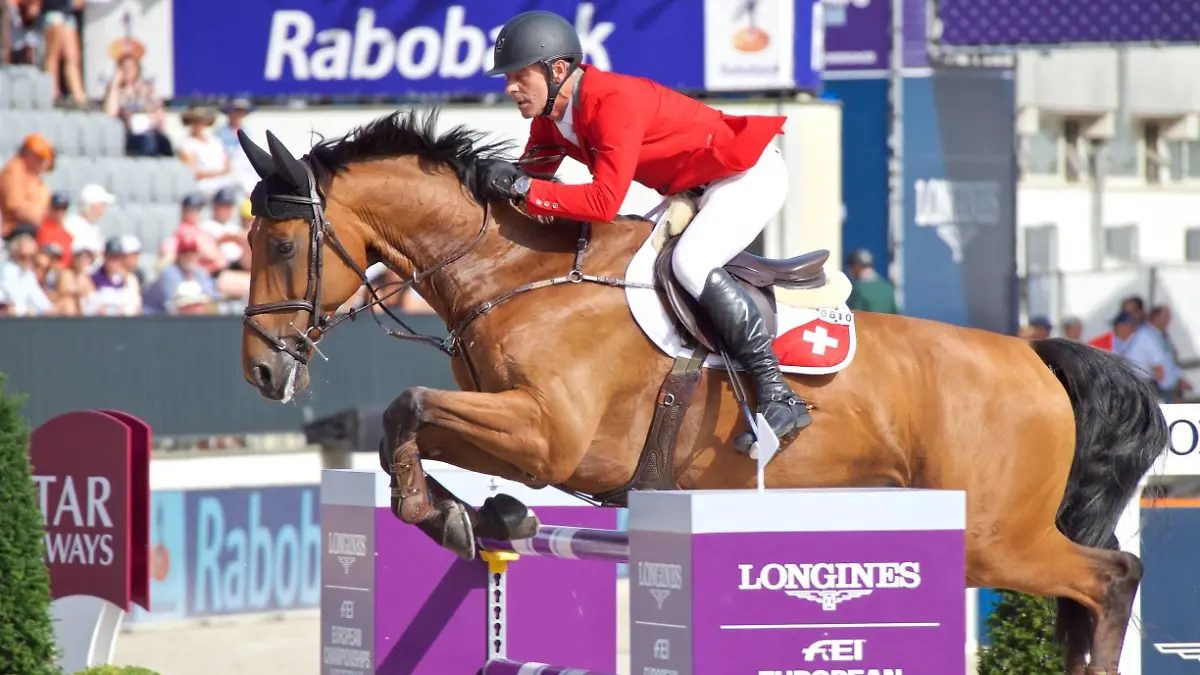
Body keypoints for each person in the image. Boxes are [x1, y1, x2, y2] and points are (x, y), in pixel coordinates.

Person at [472, 10, 811, 442]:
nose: (510, 88)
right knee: (625, 262)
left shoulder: (612, 101)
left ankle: (777, 394)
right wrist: (492, 182)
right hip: (692, 189)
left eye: (519, 76)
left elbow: (602, 201)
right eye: (507, 78)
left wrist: (524, 186)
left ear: (557, 69)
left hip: (746, 175)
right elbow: (529, 178)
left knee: (690, 263)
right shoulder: (549, 120)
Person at [844, 249, 896, 314]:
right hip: (887, 324)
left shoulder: (859, 288)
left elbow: (855, 316)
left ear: (856, 267)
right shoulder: (887, 287)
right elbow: (895, 313)